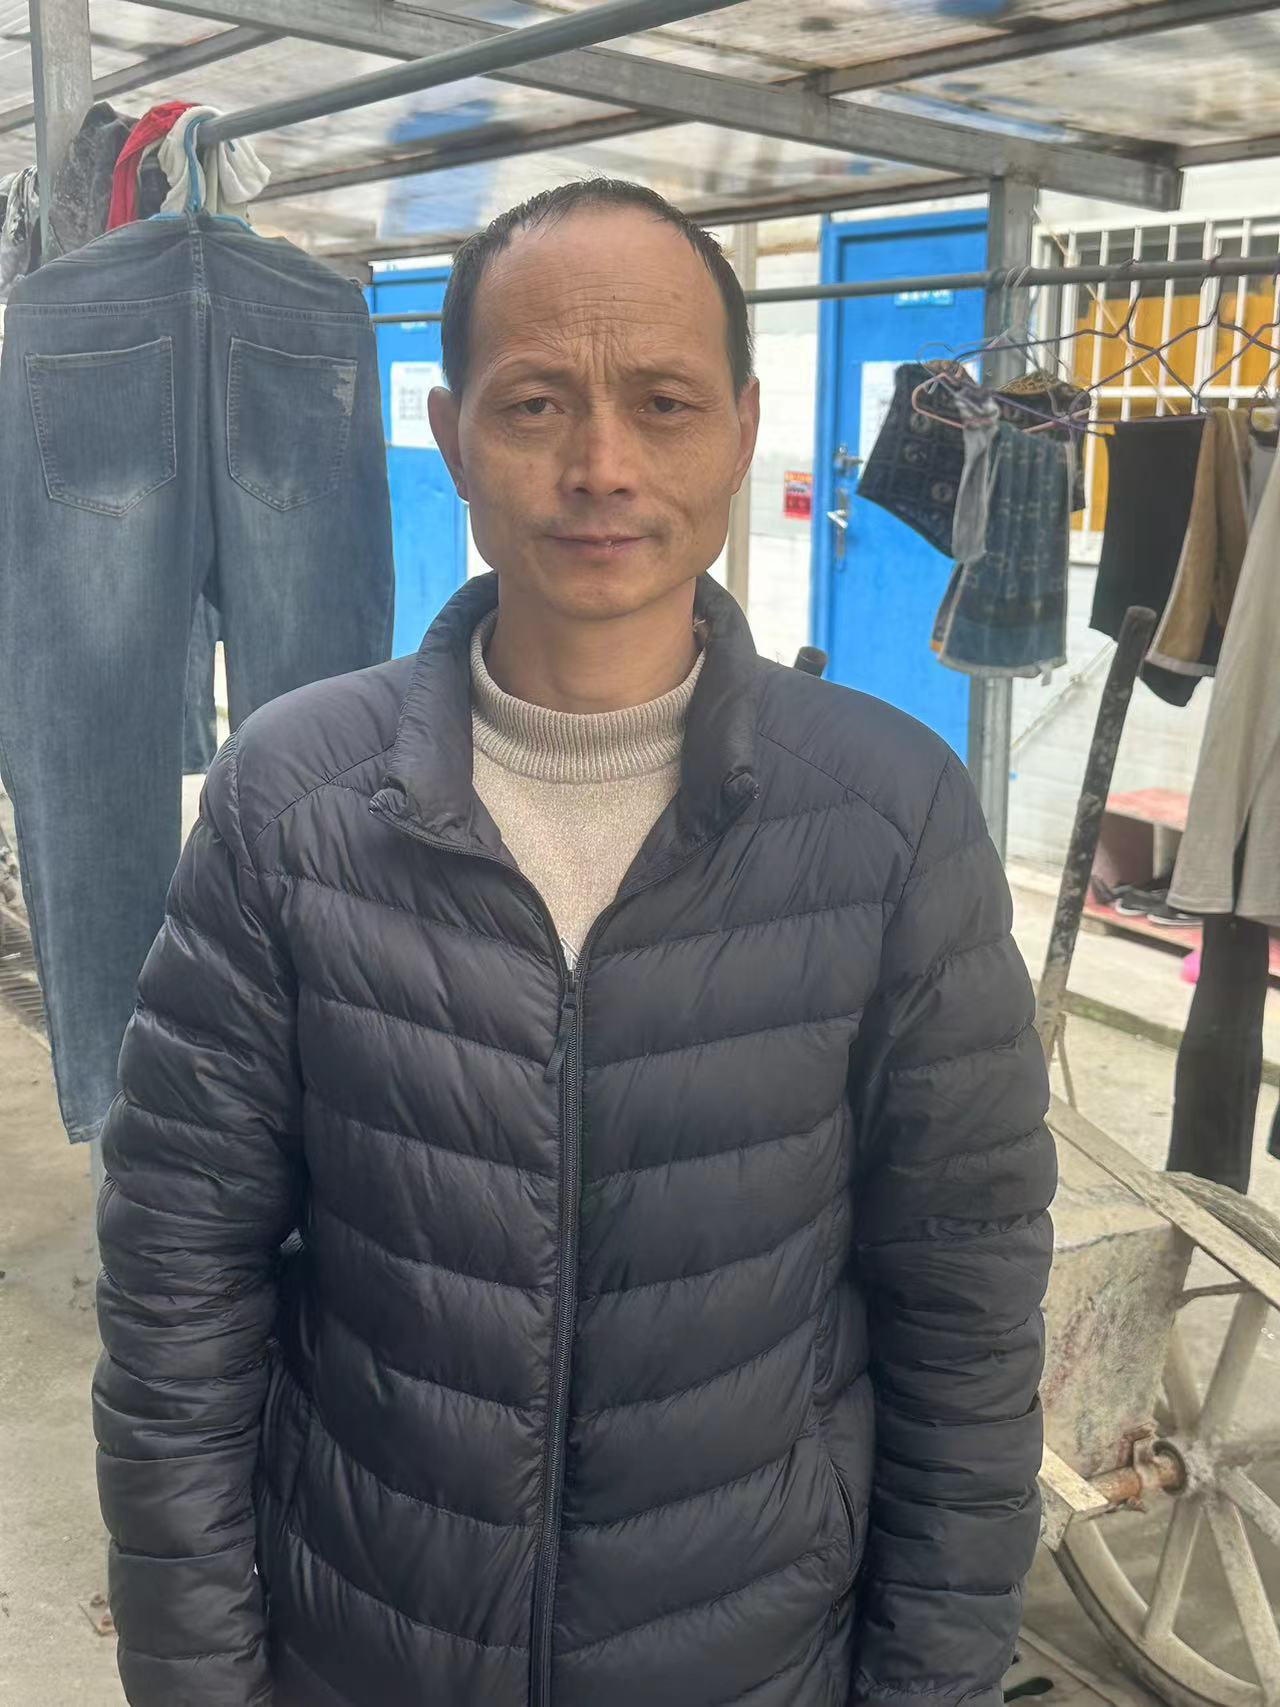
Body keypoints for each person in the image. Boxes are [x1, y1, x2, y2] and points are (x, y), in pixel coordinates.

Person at [95, 179, 1056, 1707]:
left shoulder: (890, 820)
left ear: (740, 433)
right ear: (452, 433)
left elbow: (968, 1326)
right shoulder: (292, 804)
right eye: (536, 403)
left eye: (663, 404)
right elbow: (175, 1294)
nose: (602, 465)